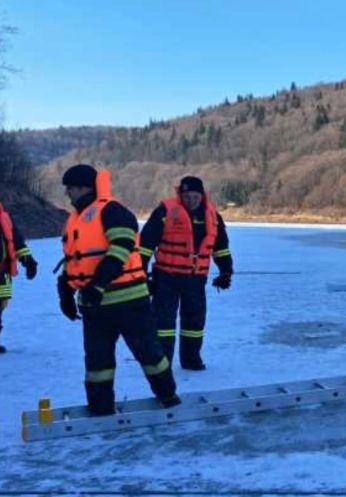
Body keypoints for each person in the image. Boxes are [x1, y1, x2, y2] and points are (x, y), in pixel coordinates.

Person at [56, 164, 179, 415]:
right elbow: (76, 261)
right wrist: (66, 292)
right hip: (94, 305)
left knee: (149, 354)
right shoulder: (76, 219)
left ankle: (168, 397)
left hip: (129, 301)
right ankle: (100, 408)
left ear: (85, 187)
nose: (67, 193)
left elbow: (121, 247)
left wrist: (98, 284)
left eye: (71, 188)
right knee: (97, 362)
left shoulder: (112, 211)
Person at [138, 176, 232, 371]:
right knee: (163, 323)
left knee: (194, 322)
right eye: (187, 196)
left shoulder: (213, 216)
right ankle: (162, 363)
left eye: (195, 196)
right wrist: (141, 274)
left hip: (196, 279)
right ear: (180, 195)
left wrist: (226, 272)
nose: (191, 200)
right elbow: (146, 244)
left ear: (202, 196)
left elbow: (221, 248)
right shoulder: (165, 211)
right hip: (166, 277)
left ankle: (191, 359)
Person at [0, 200, 39, 353]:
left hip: (2, 273)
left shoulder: (3, 215)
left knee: (1, 305)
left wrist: (28, 260)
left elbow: (16, 241)